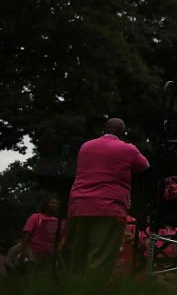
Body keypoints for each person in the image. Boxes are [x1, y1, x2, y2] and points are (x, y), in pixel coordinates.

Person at [65, 118, 149, 283]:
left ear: (103, 130)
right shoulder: (127, 149)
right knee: (101, 256)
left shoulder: (85, 146)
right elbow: (144, 166)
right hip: (109, 209)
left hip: (79, 206)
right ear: (123, 133)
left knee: (77, 256)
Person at [20, 197, 62, 275]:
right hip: (34, 254)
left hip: (49, 256)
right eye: (52, 203)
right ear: (46, 205)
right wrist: (24, 252)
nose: (55, 205)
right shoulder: (35, 217)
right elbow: (26, 234)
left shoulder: (57, 221)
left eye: (56, 204)